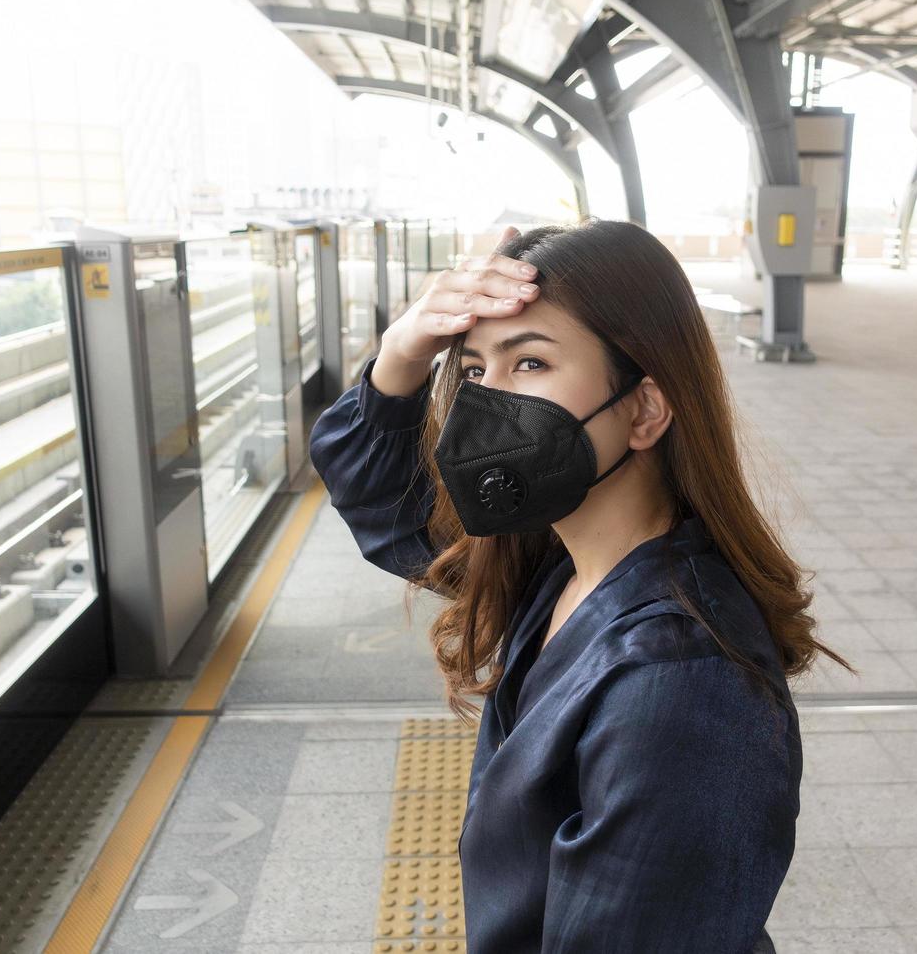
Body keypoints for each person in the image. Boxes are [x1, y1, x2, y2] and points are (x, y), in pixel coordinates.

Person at [309, 219, 855, 952]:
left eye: (529, 363)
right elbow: (384, 505)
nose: (483, 405)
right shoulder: (556, 563)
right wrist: (404, 351)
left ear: (646, 408)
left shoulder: (679, 683)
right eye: (472, 371)